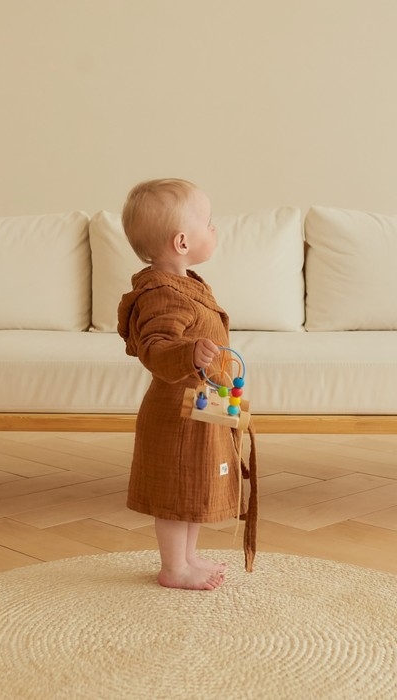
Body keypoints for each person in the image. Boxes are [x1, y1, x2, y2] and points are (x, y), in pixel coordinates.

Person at [117, 178, 255, 591]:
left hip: (200, 408)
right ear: (182, 241)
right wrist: (189, 353)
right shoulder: (162, 294)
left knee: (193, 485)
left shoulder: (186, 283)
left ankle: (188, 557)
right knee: (176, 490)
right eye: (208, 223)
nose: (214, 229)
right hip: (178, 416)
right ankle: (173, 567)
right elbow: (155, 347)